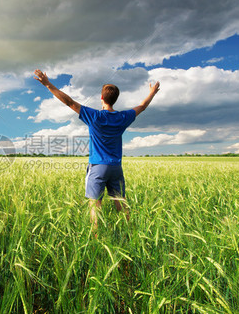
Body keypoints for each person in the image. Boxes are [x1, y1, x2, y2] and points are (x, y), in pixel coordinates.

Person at [34, 69, 160, 229]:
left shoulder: (94, 116)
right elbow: (142, 106)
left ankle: (96, 238)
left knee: (95, 205)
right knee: (121, 203)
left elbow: (69, 102)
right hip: (116, 167)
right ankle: (130, 232)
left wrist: (48, 84)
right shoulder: (123, 117)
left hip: (98, 166)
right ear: (115, 99)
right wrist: (152, 92)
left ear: (101, 97)